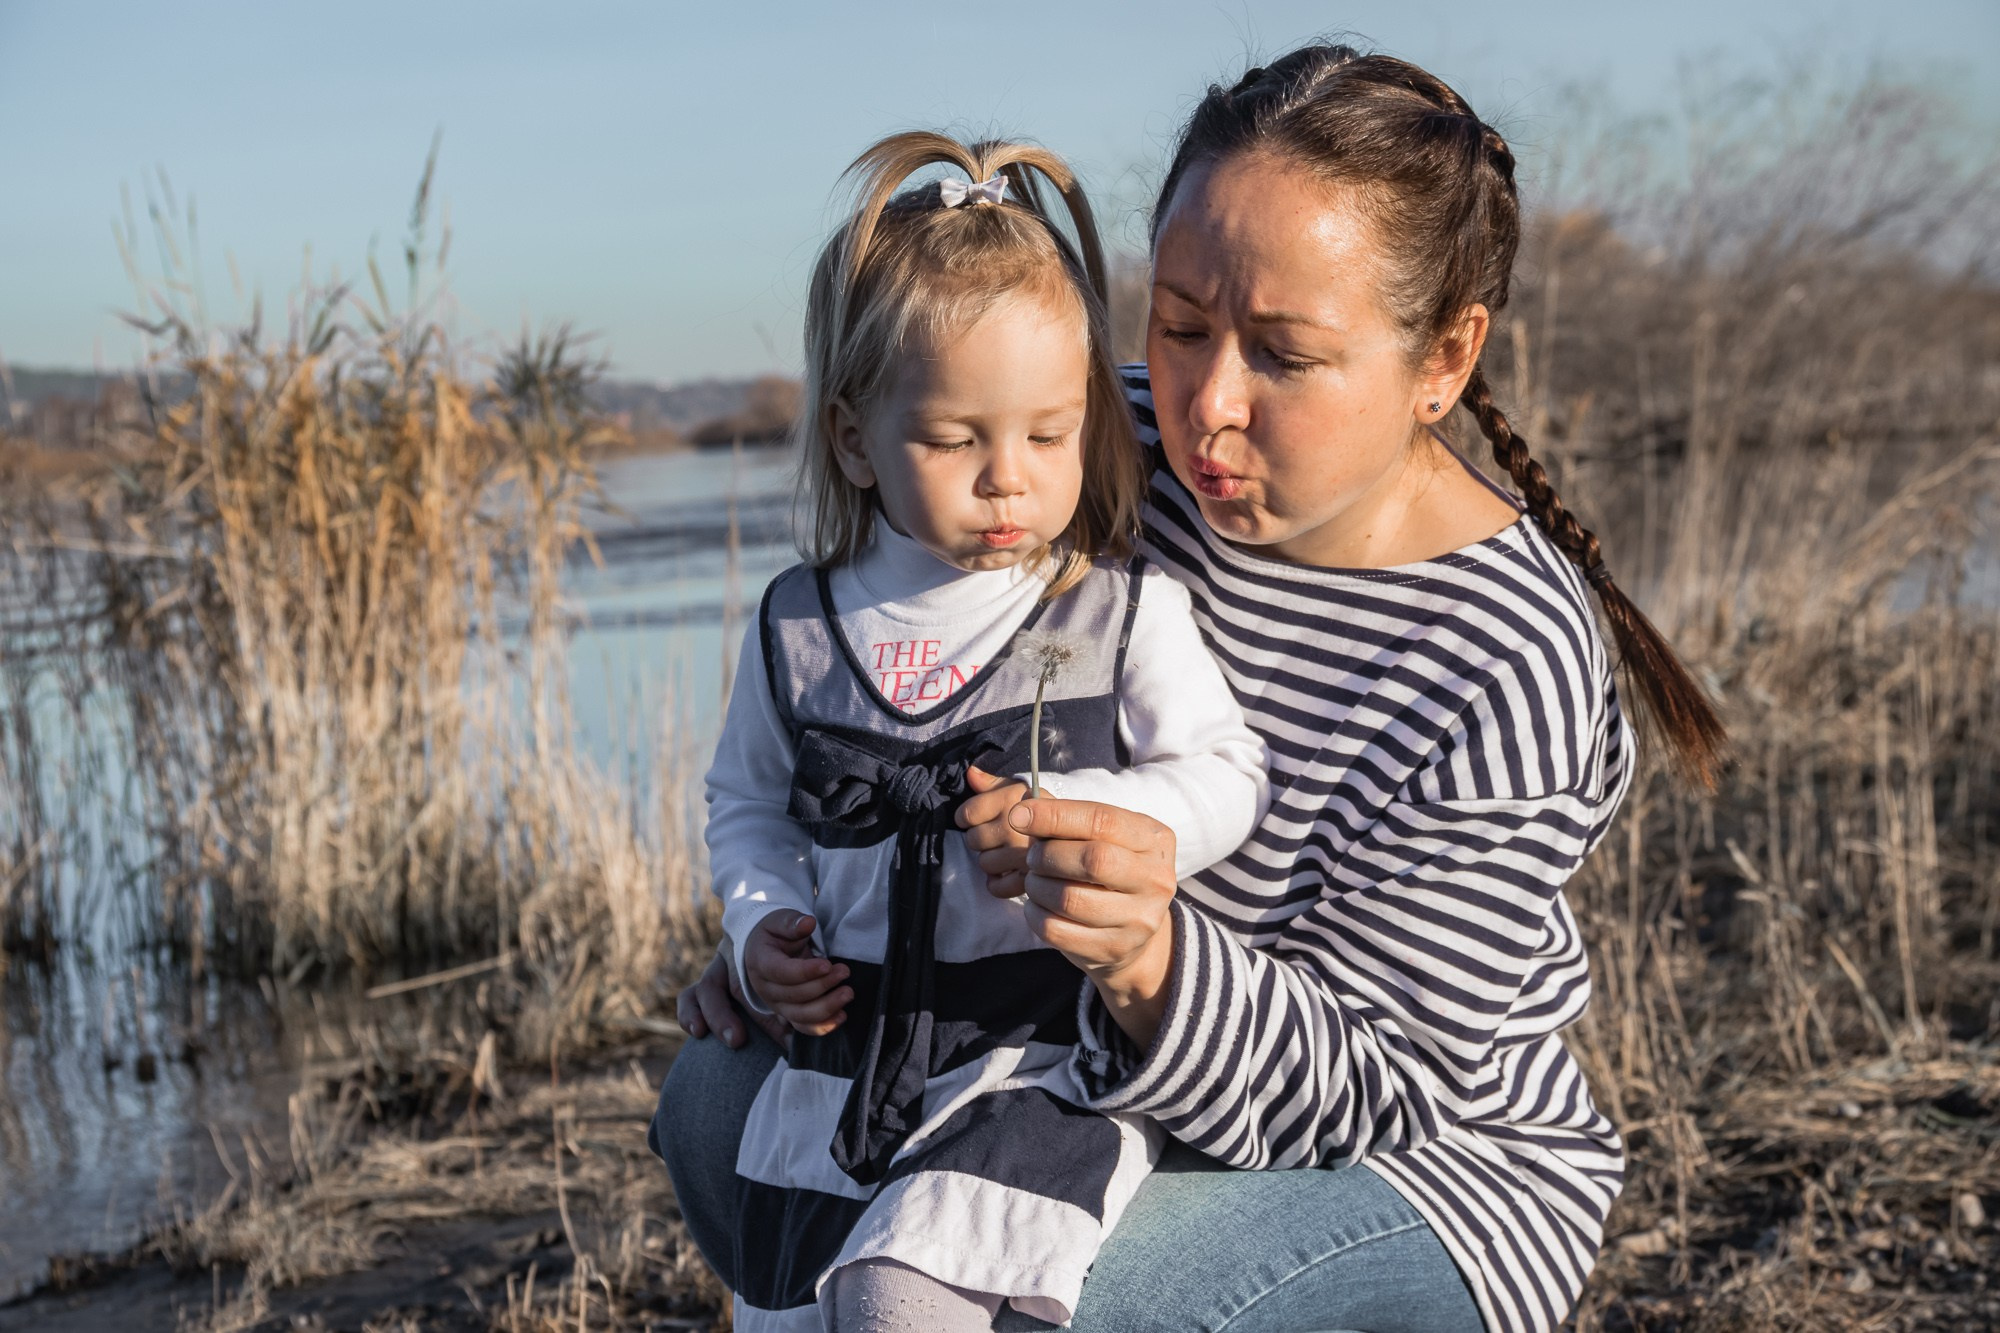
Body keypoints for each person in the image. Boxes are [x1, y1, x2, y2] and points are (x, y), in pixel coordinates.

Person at [658, 45, 1726, 1333]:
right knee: (716, 1105)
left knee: (1028, 1302)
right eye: (1175, 325)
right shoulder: (1090, 449)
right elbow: (888, 632)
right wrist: (809, 925)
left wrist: (1150, 959)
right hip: (1039, 1061)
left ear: (1443, 358)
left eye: (1283, 354)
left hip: (1408, 1158)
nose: (1205, 402)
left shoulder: (1507, 654)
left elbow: (1373, 1083)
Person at [691, 129, 1270, 1333]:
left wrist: (1099, 818)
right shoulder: (798, 626)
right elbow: (745, 805)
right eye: (956, 439)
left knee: (900, 1299)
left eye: (1049, 435)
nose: (1009, 477)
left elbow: (1227, 771)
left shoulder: (1113, 611)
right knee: (793, 1311)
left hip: (1034, 1060)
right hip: (841, 1062)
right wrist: (755, 929)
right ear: (853, 438)